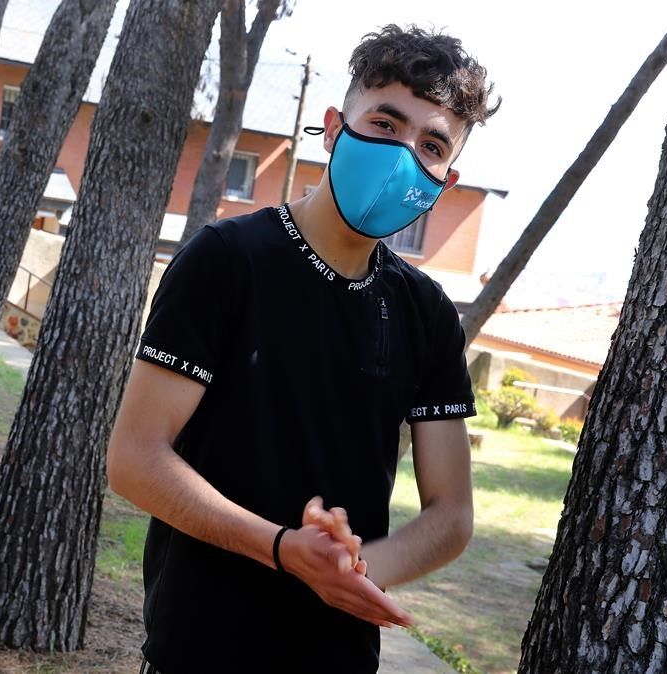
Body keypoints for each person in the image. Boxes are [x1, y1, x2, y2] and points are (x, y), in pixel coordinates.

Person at [106, 24, 499, 672]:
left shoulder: (426, 313)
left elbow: (451, 515)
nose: (403, 153)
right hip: (198, 650)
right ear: (336, 127)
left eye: (430, 144)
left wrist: (351, 569)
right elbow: (135, 459)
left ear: (444, 179)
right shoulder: (227, 261)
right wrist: (285, 550)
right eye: (385, 122)